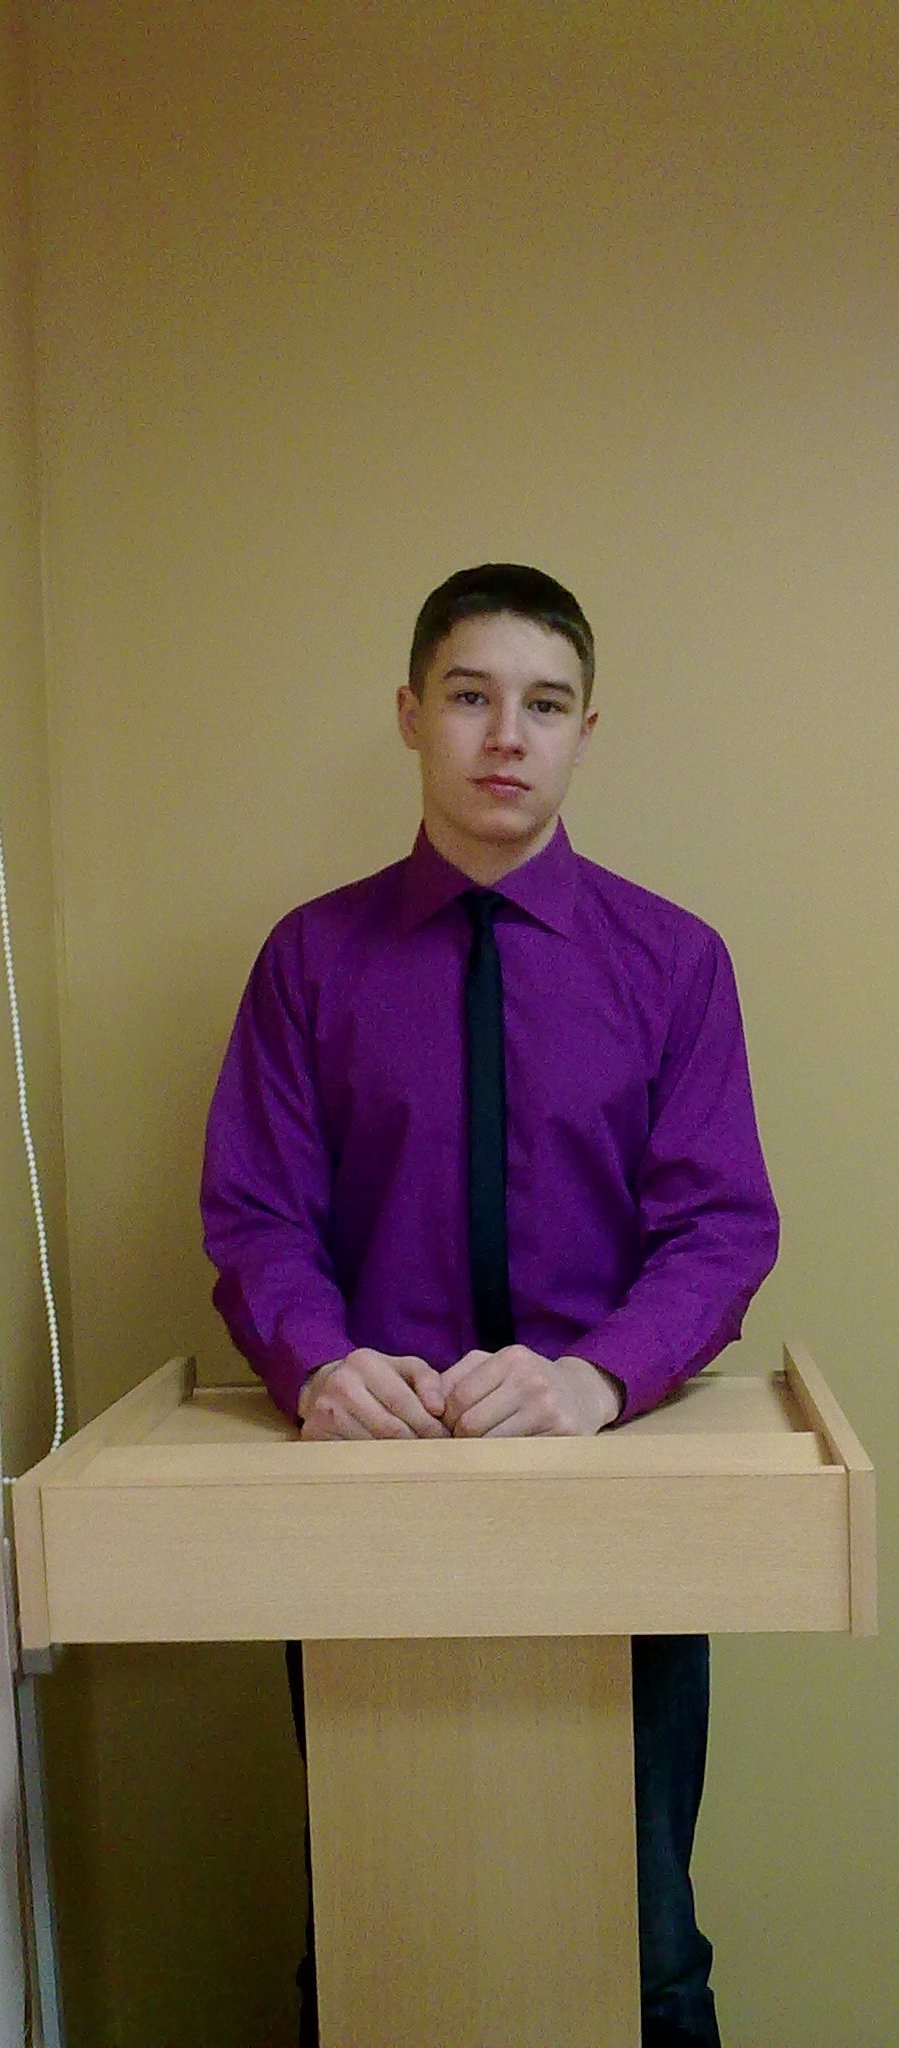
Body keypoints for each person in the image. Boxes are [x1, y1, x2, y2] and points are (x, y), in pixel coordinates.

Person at [200, 563, 779, 2048]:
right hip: (367, 1502)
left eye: (545, 703)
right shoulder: (309, 961)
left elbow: (718, 1228)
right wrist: (318, 1364)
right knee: (374, 1944)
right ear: (411, 715)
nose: (506, 736)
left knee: (644, 1948)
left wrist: (597, 1378)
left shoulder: (675, 962)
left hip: (613, 1505)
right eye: (470, 697)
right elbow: (259, 1216)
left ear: (588, 729)